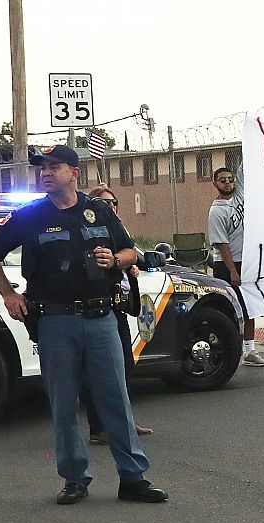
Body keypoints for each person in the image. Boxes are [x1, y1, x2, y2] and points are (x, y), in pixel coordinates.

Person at [0, 145, 167, 505]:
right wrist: (8, 294)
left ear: (75, 173)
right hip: (56, 322)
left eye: (54, 167)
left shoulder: (98, 211)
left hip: (101, 320)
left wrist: (115, 259)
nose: (45, 173)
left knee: (116, 401)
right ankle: (74, 478)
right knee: (64, 403)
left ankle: (133, 477)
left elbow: (129, 251)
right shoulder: (30, 215)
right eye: (42, 169)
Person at [84, 183, 153, 444]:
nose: (111, 207)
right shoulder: (92, 230)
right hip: (100, 307)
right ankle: (99, 428)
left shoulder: (116, 228)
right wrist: (117, 264)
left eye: (114, 203)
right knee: (99, 371)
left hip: (119, 305)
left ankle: (124, 422)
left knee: (124, 365)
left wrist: (127, 267)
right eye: (105, 203)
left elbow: (131, 255)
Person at [208, 166, 264, 366]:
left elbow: (246, 167)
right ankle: (228, 349)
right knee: (232, 310)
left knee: (250, 307)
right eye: (222, 180)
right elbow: (221, 243)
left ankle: (250, 350)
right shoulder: (217, 211)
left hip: (247, 261)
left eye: (230, 180)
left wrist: (253, 136)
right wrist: (233, 270)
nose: (227, 183)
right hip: (228, 264)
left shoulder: (240, 196)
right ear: (215, 183)